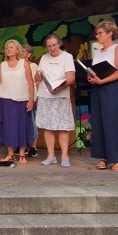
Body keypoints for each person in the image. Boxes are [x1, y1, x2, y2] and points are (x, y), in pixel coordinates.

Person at [87, 21, 118, 172]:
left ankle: (115, 159)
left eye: (100, 33)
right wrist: (91, 77)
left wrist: (102, 80)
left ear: (110, 33)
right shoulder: (98, 52)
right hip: (97, 87)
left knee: (111, 122)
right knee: (98, 122)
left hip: (111, 87)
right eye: (96, 34)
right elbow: (94, 70)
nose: (97, 36)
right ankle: (102, 158)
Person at [34, 34, 76, 167]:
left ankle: (64, 156)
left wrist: (59, 88)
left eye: (54, 45)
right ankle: (50, 156)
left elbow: (71, 78)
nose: (52, 48)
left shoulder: (67, 57)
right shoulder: (44, 58)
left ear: (59, 44)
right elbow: (37, 77)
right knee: (47, 127)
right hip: (45, 95)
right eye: (49, 46)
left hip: (61, 95)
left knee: (62, 126)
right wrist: (38, 74)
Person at [0, 39, 35, 164]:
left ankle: (22, 154)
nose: (9, 49)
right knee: (8, 127)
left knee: (22, 126)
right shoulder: (2, 65)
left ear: (17, 50)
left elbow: (30, 83)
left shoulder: (24, 64)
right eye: (7, 48)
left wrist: (31, 100)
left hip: (22, 100)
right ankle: (10, 154)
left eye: (11, 47)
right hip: (6, 100)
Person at [21, 44, 40, 158]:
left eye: (24, 51)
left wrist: (35, 98)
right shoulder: (17, 65)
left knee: (33, 121)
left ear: (29, 54)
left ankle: (33, 147)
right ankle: (21, 145)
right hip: (19, 95)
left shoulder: (33, 66)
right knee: (21, 122)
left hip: (31, 95)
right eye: (21, 51)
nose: (21, 53)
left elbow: (36, 83)